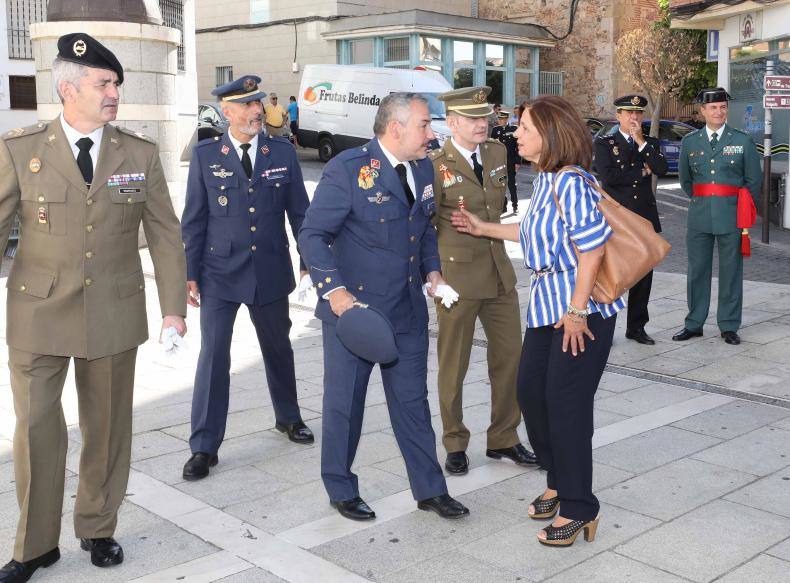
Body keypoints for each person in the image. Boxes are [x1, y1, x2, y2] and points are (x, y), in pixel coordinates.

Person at [0, 33, 187, 581]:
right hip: (38, 313)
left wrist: (173, 307)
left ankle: (97, 527)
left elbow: (166, 236)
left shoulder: (139, 153)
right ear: (68, 89)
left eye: (116, 85)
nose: (113, 94)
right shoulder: (20, 149)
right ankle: (35, 545)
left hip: (112, 310)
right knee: (35, 427)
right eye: (103, 84)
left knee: (106, 429)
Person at [451, 95, 625, 547]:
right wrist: (484, 228)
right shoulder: (546, 180)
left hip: (580, 313)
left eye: (525, 128)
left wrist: (577, 310)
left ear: (549, 134)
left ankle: (580, 506)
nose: (516, 134)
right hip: (549, 309)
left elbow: (592, 248)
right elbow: (531, 233)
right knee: (532, 394)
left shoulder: (571, 181)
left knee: (566, 407)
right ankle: (559, 479)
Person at [298, 92, 469, 522]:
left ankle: (430, 490)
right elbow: (312, 235)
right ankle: (340, 487)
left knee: (413, 404)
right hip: (355, 315)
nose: (432, 134)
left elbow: (425, 229)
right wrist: (333, 292)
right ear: (396, 129)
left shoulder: (423, 168)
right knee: (345, 405)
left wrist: (434, 274)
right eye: (424, 126)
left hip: (406, 311)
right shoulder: (348, 169)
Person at [180, 75, 313, 481]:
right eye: (248, 105)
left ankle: (288, 417)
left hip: (270, 269)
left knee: (277, 348)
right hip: (219, 272)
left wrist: (308, 260)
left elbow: (300, 213)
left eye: (258, 103)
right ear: (227, 112)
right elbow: (194, 218)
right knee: (214, 356)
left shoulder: (282, 153)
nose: (257, 111)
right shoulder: (206, 155)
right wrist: (189, 274)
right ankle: (204, 445)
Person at [429, 86, 537, 476]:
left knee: (510, 359)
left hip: (497, 271)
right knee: (453, 365)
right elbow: (424, 224)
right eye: (473, 119)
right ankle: (455, 442)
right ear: (452, 122)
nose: (482, 124)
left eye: (485, 117)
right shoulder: (435, 163)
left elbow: (499, 207)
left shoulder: (496, 151)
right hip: (456, 278)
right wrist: (431, 273)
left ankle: (504, 437)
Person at [672, 87, 761, 346]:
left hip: (731, 217)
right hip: (699, 216)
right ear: (703, 111)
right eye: (713, 108)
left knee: (731, 272)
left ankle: (729, 325)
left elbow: (753, 181)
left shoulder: (742, 141)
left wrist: (738, 207)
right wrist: (704, 200)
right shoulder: (690, 142)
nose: (719, 111)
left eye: (722, 107)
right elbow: (686, 182)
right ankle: (694, 323)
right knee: (697, 271)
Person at [592, 94, 667, 345]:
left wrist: (641, 143)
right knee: (611, 273)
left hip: (643, 218)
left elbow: (661, 168)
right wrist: (640, 171)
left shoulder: (650, 143)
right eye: (628, 113)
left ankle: (636, 327)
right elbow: (608, 176)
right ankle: (604, 327)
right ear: (619, 116)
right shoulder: (604, 142)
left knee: (643, 276)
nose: (634, 118)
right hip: (617, 217)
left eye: (638, 114)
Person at [491, 110, 522, 214]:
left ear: (506, 119)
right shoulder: (495, 130)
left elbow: (518, 147)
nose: (499, 121)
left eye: (501, 119)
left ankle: (515, 205)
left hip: (511, 161)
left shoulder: (513, 129)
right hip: (499, 162)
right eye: (499, 119)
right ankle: (503, 207)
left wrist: (518, 162)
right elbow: (492, 147)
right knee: (500, 184)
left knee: (512, 184)